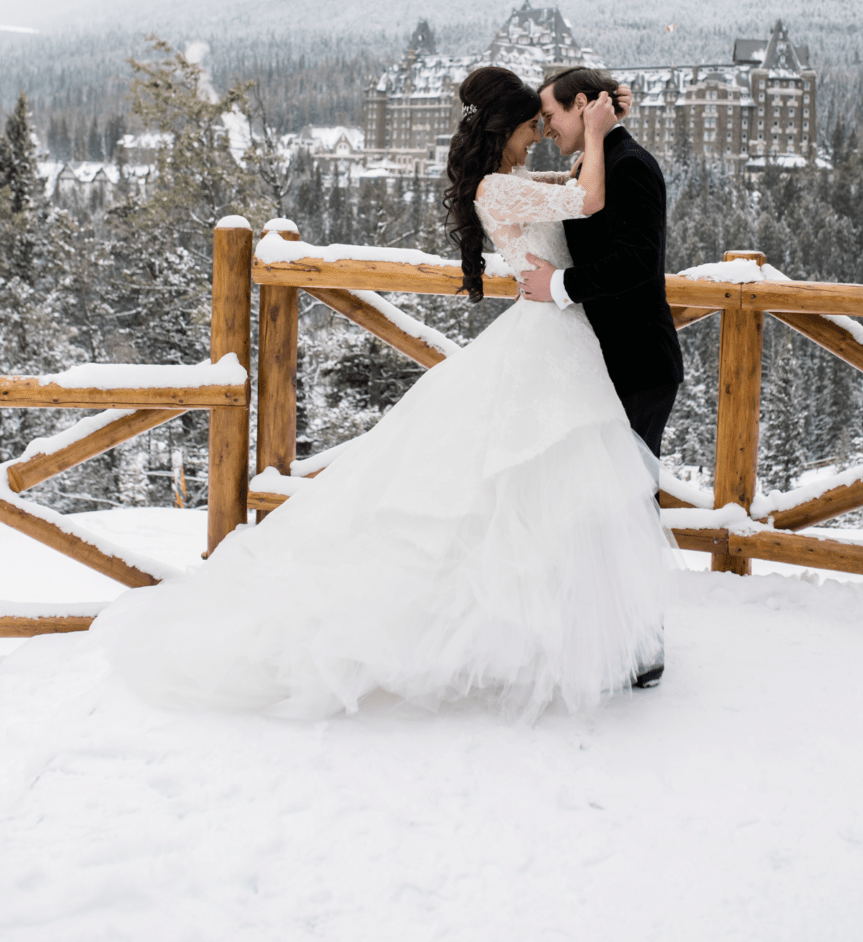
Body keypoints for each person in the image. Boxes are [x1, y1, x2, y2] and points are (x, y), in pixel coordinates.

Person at [96, 66, 672, 723]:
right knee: (527, 493)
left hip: (561, 343)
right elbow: (589, 201)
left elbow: (574, 193)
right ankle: (581, 638)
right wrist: (597, 132)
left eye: (550, 121)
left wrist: (604, 122)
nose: (543, 133)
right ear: (507, 130)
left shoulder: (511, 185)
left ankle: (593, 635)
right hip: (548, 343)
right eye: (533, 124)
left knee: (552, 495)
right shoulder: (502, 190)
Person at [523, 67, 684, 464]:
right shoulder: (596, 164)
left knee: (628, 507)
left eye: (548, 117)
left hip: (637, 366)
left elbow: (638, 261)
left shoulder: (626, 164)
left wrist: (557, 285)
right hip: (612, 365)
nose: (546, 130)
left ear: (580, 105)